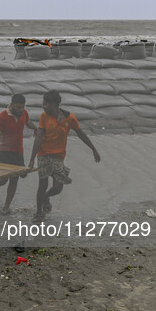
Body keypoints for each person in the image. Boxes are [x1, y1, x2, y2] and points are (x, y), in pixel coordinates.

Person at [28, 91, 101, 219]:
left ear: (54, 104)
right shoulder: (44, 117)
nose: (43, 106)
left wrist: (93, 149)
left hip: (58, 156)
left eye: (45, 104)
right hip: (43, 155)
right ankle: (39, 213)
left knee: (57, 188)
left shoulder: (69, 118)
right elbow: (38, 137)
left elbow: (80, 133)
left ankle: (46, 197)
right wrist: (32, 159)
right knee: (42, 184)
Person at [0, 94, 38, 213]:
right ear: (11, 105)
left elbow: (28, 122)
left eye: (22, 107)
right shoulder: (1, 117)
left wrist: (36, 129)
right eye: (18, 107)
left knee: (15, 179)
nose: (20, 110)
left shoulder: (24, 113)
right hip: (4, 152)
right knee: (3, 180)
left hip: (18, 151)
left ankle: (6, 207)